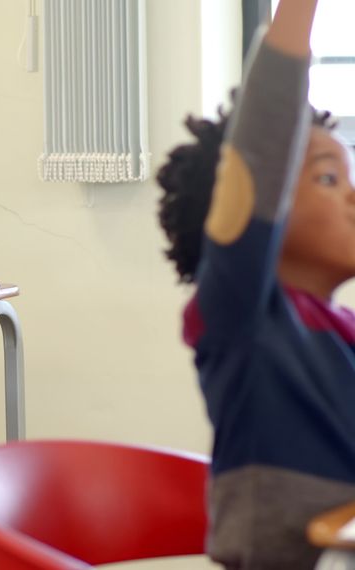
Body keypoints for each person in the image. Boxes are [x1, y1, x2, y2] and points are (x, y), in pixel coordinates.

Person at [156, 0, 355, 567]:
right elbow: (261, 151)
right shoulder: (244, 315)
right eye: (327, 178)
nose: (353, 196)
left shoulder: (342, 330)